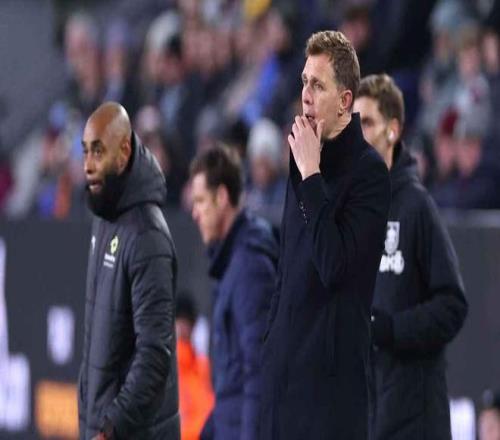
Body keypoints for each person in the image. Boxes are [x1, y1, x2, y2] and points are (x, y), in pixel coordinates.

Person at [260, 31, 391, 439]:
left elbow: (334, 266)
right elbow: (286, 268)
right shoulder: (302, 156)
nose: (305, 95)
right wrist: (270, 346)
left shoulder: (369, 174)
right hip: (283, 386)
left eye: (318, 85)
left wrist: (312, 175)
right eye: (304, 82)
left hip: (330, 399)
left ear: (345, 101)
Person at [354, 73, 468, 439]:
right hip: (371, 417)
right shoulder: (357, 212)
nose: (358, 134)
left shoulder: (417, 206)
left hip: (415, 420)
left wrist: (392, 329)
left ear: (393, 130)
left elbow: (452, 305)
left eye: (367, 122)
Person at [78, 102, 179, 439]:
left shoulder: (147, 236)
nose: (87, 165)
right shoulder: (105, 220)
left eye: (98, 151)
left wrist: (110, 429)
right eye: (85, 151)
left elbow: (154, 355)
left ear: (123, 153)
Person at [189, 145, 278, 439]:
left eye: (200, 201)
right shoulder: (231, 260)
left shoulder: (250, 265)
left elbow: (258, 371)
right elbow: (233, 380)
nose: (194, 213)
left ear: (222, 197)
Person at [175, 294, 214, 440]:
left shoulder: (202, 365)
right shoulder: (169, 367)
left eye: (187, 323)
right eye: (181, 323)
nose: (184, 329)